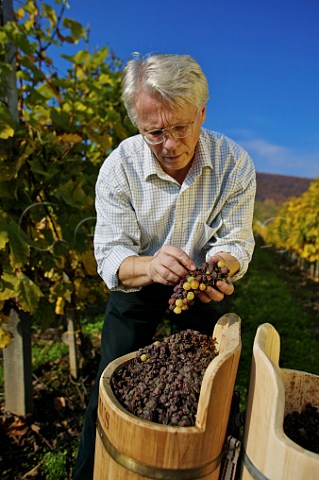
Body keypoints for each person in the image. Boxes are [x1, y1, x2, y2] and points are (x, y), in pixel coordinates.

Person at [73, 52, 256, 479]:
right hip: (138, 282)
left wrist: (220, 266)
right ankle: (91, 470)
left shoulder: (234, 164)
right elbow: (111, 255)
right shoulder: (119, 169)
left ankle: (209, 465)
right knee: (109, 388)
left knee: (214, 389)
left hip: (199, 284)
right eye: (154, 132)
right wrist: (151, 267)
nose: (170, 144)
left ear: (202, 112)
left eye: (181, 127)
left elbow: (235, 240)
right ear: (137, 123)